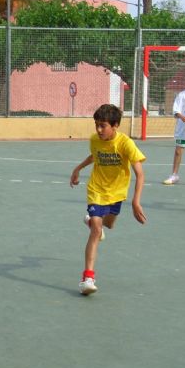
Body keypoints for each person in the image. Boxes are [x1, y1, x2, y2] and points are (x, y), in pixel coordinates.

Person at [70, 104, 146, 295]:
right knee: (97, 230)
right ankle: (88, 278)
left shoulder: (126, 144)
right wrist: (78, 168)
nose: (98, 129)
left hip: (117, 192)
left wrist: (136, 202)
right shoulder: (95, 139)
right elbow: (94, 156)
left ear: (115, 125)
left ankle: (91, 222)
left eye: (103, 125)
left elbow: (140, 174)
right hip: (96, 189)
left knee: (108, 225)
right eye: (97, 125)